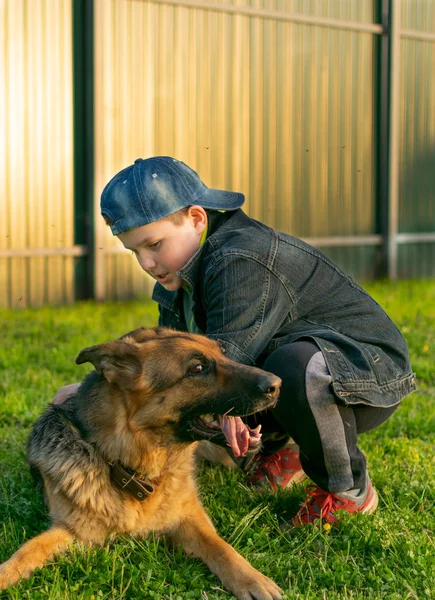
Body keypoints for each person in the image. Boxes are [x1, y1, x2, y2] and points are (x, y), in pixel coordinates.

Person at [55, 156, 416, 526]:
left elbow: (226, 360)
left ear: (196, 219)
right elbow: (171, 361)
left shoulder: (241, 256)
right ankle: (286, 452)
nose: (146, 262)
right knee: (241, 380)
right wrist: (95, 391)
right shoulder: (177, 276)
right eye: (135, 251)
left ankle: (348, 490)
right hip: (298, 368)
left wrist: (227, 412)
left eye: (154, 244)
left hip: (364, 373)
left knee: (291, 367)